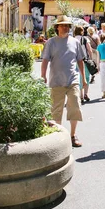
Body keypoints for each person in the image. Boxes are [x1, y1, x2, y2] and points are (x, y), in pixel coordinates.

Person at [41, 15, 87, 147]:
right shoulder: (51, 42)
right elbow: (45, 60)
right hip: (56, 81)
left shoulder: (75, 42)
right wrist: (43, 75)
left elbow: (80, 61)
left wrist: (83, 77)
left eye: (67, 25)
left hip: (72, 80)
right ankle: (58, 136)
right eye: (63, 25)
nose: (65, 27)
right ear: (57, 27)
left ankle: (73, 136)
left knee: (75, 107)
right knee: (56, 110)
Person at [74, 26, 93, 103]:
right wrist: (91, 59)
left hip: (74, 61)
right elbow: (90, 50)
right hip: (84, 60)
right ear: (81, 31)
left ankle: (80, 95)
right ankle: (85, 94)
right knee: (86, 77)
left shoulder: (72, 39)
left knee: (78, 78)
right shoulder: (85, 39)